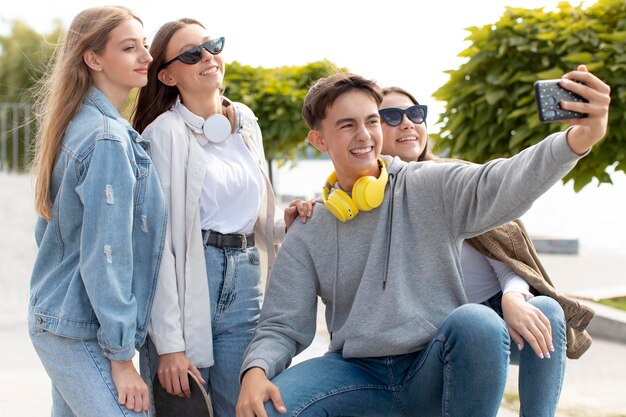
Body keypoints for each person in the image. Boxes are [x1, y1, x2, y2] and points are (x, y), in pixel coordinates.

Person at [236, 67, 610, 417]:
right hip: (355, 371)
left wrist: (576, 140)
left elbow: (501, 181)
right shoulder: (308, 225)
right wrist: (255, 370)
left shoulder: (428, 185)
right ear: (318, 139)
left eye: (370, 121)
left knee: (478, 322)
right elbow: (282, 324)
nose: (364, 135)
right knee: (266, 409)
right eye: (347, 125)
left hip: (433, 365)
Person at [132, 18, 313, 417]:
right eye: (192, 53)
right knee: (187, 409)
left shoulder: (245, 120)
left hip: (246, 277)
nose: (208, 57)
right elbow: (157, 248)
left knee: (245, 405)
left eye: (212, 45)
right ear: (167, 75)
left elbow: (249, 209)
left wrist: (284, 218)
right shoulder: (163, 135)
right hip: (192, 279)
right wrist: (169, 345)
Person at [379, 86, 595, 416]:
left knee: (547, 311)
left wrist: (513, 298)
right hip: (447, 326)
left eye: (416, 113)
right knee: (475, 326)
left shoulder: (454, 179)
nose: (408, 123)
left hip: (498, 309)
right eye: (392, 116)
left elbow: (503, 254)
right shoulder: (366, 204)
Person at [28, 6, 166, 417]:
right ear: (93, 58)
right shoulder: (106, 138)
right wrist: (122, 359)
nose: (146, 56)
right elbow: (108, 255)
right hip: (80, 330)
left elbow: (49, 235)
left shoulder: (80, 125)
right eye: (129, 48)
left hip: (63, 320)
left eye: (144, 45)